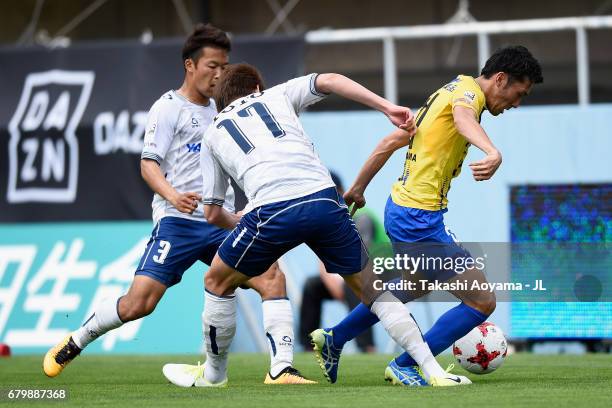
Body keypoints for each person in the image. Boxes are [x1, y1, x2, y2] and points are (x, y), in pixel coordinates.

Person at [162, 62, 472, 388]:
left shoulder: (213, 132)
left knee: (217, 281)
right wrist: (386, 106)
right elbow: (332, 79)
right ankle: (433, 372)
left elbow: (212, 214)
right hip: (325, 200)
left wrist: (242, 221)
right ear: (256, 87)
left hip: (271, 209)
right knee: (374, 291)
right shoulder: (276, 96)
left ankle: (214, 376)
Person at [43, 23, 310, 386]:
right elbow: (148, 163)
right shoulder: (168, 108)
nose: (219, 74)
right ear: (190, 65)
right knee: (140, 303)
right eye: (212, 66)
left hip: (221, 220)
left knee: (271, 276)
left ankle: (281, 368)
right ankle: (76, 340)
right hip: (178, 221)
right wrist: (172, 195)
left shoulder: (227, 109)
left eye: (224, 66)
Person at [313, 45, 544, 386]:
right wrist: (492, 151)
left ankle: (335, 338)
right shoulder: (466, 95)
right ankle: (407, 364)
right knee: (481, 300)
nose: (516, 104)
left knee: (412, 285)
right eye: (518, 94)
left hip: (407, 211)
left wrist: (359, 187)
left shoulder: (445, 93)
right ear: (500, 79)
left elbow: (392, 141)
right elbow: (465, 117)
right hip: (417, 218)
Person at [298, 172, 378, 353]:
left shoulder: (362, 217)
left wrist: (342, 285)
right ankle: (307, 346)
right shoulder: (327, 218)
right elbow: (323, 254)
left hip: (382, 272)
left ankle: (367, 347)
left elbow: (362, 261)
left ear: (340, 191)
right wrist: (332, 283)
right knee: (312, 286)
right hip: (352, 274)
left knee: (354, 284)